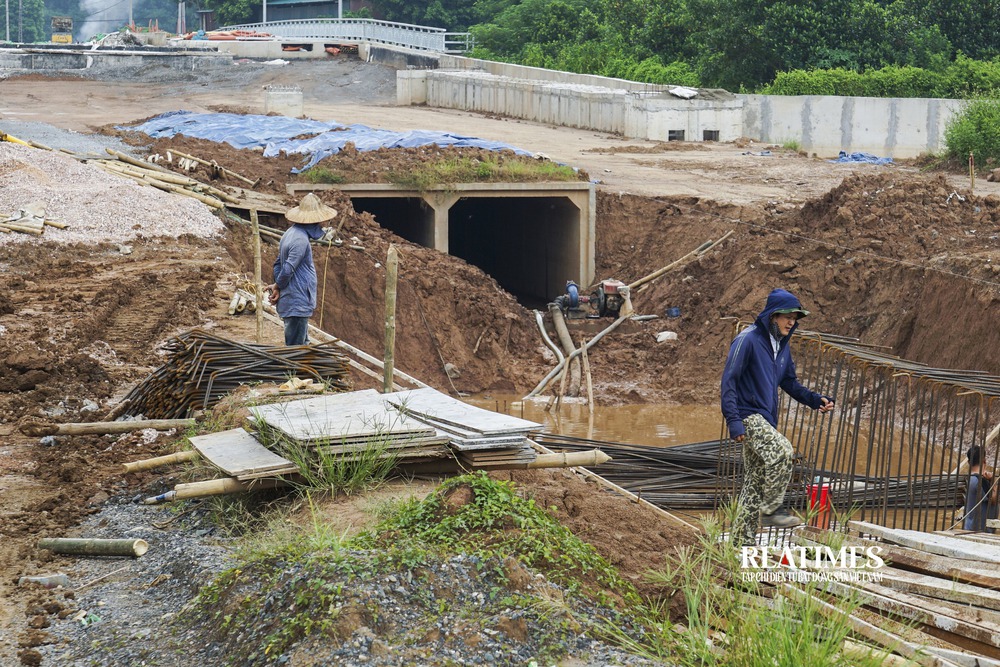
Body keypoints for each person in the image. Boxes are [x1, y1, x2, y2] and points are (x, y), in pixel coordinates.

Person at [721, 288, 836, 546]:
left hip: (765, 418)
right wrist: (733, 420)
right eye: (787, 316)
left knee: (754, 483)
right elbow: (729, 380)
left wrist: (816, 400)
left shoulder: (781, 347)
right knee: (783, 450)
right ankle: (773, 509)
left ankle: (741, 543)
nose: (791, 322)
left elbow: (790, 383)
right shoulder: (747, 340)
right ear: (772, 316)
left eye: (795, 317)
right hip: (747, 415)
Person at [266, 193, 337, 346]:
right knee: (296, 349)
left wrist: (278, 287)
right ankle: (293, 371)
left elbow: (278, 264)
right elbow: (287, 269)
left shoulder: (290, 233)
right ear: (313, 222)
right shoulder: (300, 240)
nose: (322, 226)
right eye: (320, 222)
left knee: (302, 344)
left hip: (294, 299)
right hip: (297, 301)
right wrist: (278, 286)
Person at [963, 445, 998, 532]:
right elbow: (994, 500)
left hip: (969, 528)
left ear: (969, 462)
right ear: (984, 461)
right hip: (980, 531)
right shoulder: (980, 481)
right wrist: (994, 482)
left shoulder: (969, 479)